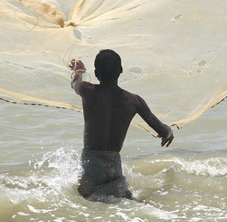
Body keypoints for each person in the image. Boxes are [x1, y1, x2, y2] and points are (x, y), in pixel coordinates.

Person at [69, 49, 173, 202]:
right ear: (121, 71)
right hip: (114, 166)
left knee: (87, 202)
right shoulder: (134, 101)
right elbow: (163, 131)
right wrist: (169, 131)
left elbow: (74, 82)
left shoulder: (87, 90)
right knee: (124, 203)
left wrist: (79, 70)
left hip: (91, 163)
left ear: (96, 73)